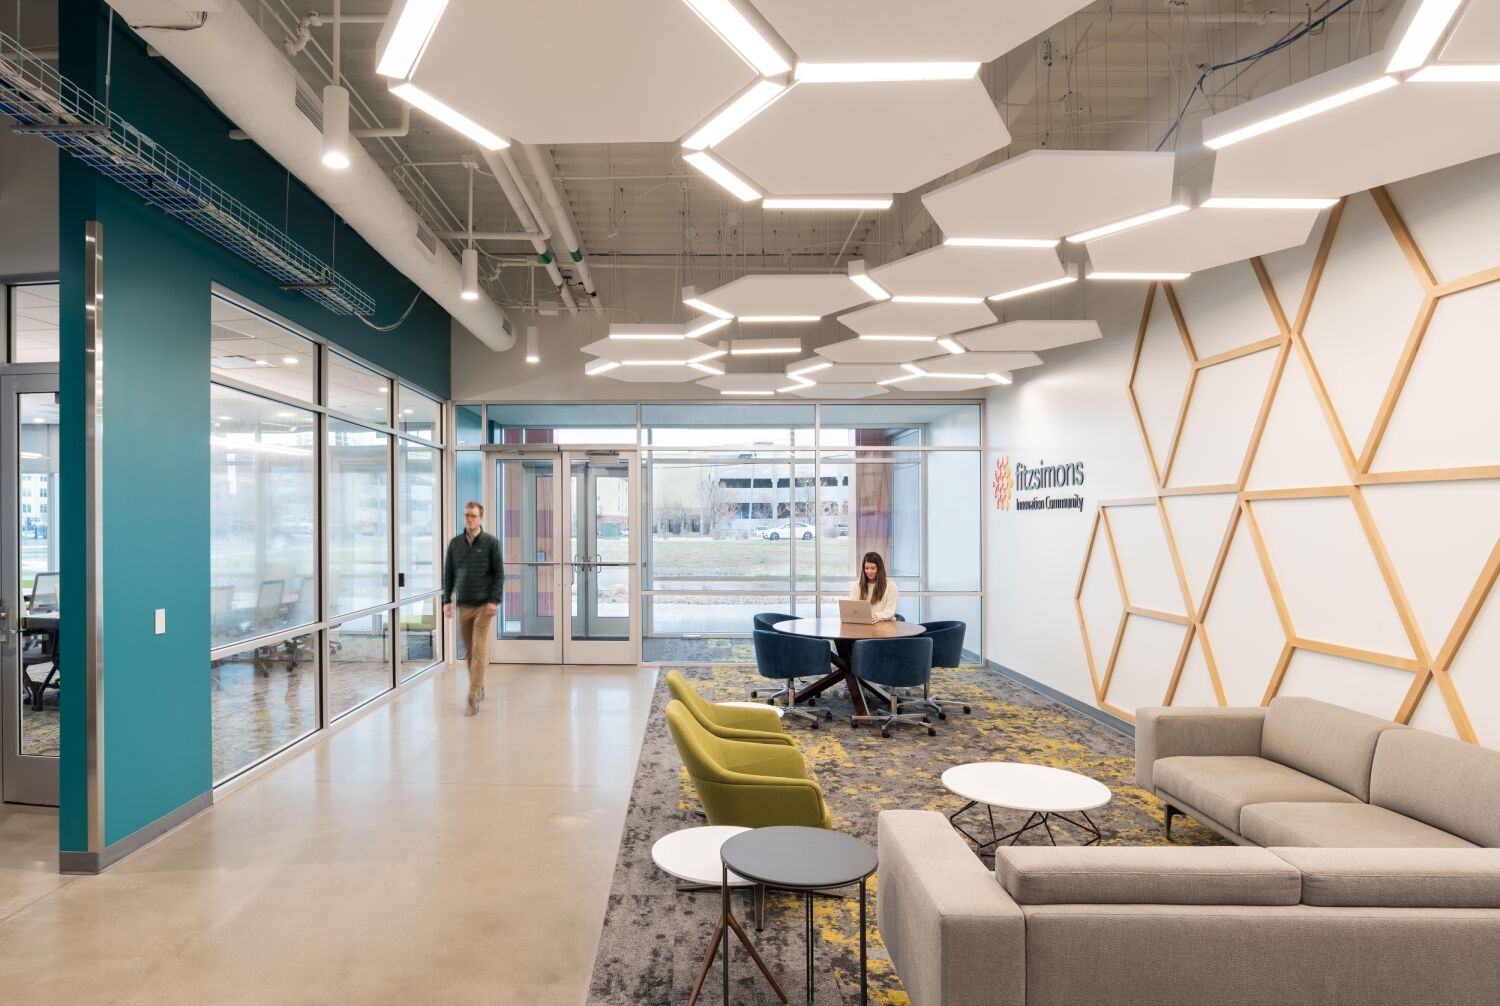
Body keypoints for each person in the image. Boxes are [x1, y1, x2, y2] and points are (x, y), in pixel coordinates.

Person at [443, 501, 503, 715]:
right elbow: (449, 573)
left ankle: (473, 696)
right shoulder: (455, 544)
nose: (469, 519)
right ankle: (480, 684)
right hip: (464, 605)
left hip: (484, 606)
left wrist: (494, 600)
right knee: (469, 652)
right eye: (467, 515)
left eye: (473, 516)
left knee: (478, 650)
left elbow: (498, 574)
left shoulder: (491, 543)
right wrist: (447, 600)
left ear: (481, 518)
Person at [850, 551, 900, 621]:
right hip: (864, 624)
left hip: (885, 625)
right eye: (866, 568)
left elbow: (890, 611)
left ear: (879, 569)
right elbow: (852, 607)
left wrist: (876, 616)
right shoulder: (857, 585)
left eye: (873, 568)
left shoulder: (891, 586)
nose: (869, 572)